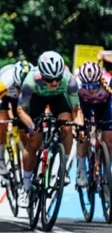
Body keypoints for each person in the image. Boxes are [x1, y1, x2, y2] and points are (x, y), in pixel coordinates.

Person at [17, 51, 83, 208]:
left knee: (67, 126)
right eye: (49, 79)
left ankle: (63, 169)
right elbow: (21, 110)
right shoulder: (30, 81)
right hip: (36, 100)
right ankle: (25, 188)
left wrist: (79, 126)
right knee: (33, 143)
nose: (54, 83)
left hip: (58, 99)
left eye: (57, 79)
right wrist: (31, 126)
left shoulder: (69, 81)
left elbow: (76, 109)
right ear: (41, 75)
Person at [0, 61, 33, 175]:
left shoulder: (35, 81)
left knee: (24, 131)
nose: (19, 91)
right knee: (2, 124)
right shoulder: (4, 83)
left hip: (17, 100)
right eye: (18, 87)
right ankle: (0, 159)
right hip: (3, 96)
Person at [75, 62, 112, 187]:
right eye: (86, 86)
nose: (90, 89)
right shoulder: (76, 85)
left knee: (109, 140)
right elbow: (75, 109)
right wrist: (78, 125)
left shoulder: (108, 82)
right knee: (83, 136)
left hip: (104, 107)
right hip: (85, 106)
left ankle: (107, 174)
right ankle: (80, 170)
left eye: (95, 85)